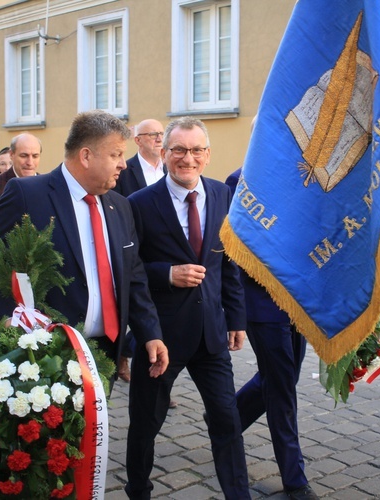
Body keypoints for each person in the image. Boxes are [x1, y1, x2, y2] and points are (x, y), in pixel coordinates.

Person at [0, 110, 168, 378]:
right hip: (46, 351)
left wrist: (150, 333)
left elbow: (133, 276)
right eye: (116, 155)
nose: (123, 164)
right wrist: (11, 321)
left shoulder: (120, 206)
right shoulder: (28, 195)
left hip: (105, 351)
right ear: (86, 156)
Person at [125, 116, 250, 499]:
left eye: (196, 150)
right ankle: (139, 489)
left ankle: (237, 494)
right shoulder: (138, 204)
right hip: (159, 338)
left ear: (208, 155)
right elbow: (128, 271)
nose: (187, 158)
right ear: (164, 154)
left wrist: (236, 318)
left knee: (227, 420)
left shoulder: (222, 196)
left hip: (211, 332)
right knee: (146, 422)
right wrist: (167, 274)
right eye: (178, 150)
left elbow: (228, 263)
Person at [228, 164, 317, 500]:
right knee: (281, 390)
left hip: (299, 303)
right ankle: (295, 479)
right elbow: (237, 249)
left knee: (283, 378)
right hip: (264, 305)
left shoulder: (307, 177)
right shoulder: (240, 181)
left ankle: (226, 420)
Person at [112, 118, 166, 384]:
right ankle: (127, 353)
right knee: (139, 309)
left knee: (160, 315)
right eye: (152, 134)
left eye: (161, 134)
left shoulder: (169, 168)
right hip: (135, 251)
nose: (159, 138)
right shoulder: (126, 170)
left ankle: (130, 351)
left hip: (163, 252)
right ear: (138, 140)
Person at [0, 134, 41, 243]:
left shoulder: (46, 185)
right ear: (12, 155)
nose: (30, 162)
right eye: (24, 156)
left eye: (35, 156)